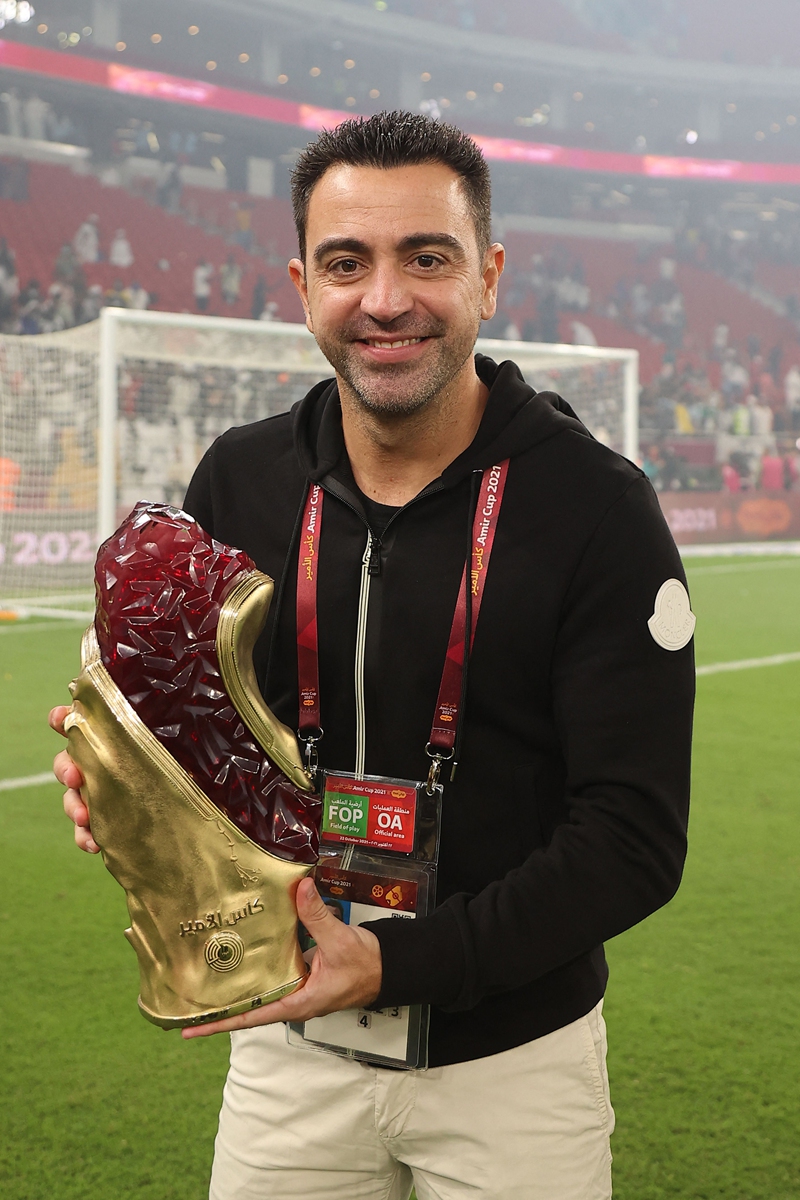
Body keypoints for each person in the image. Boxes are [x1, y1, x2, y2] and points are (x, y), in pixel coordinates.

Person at [52, 112, 693, 1200]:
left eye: (425, 258)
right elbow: (199, 749)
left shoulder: (597, 509)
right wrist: (136, 797)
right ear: (303, 284)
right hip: (288, 1054)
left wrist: (398, 964)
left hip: (512, 1069)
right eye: (347, 263)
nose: (384, 299)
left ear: (487, 276)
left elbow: (632, 839)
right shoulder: (240, 481)